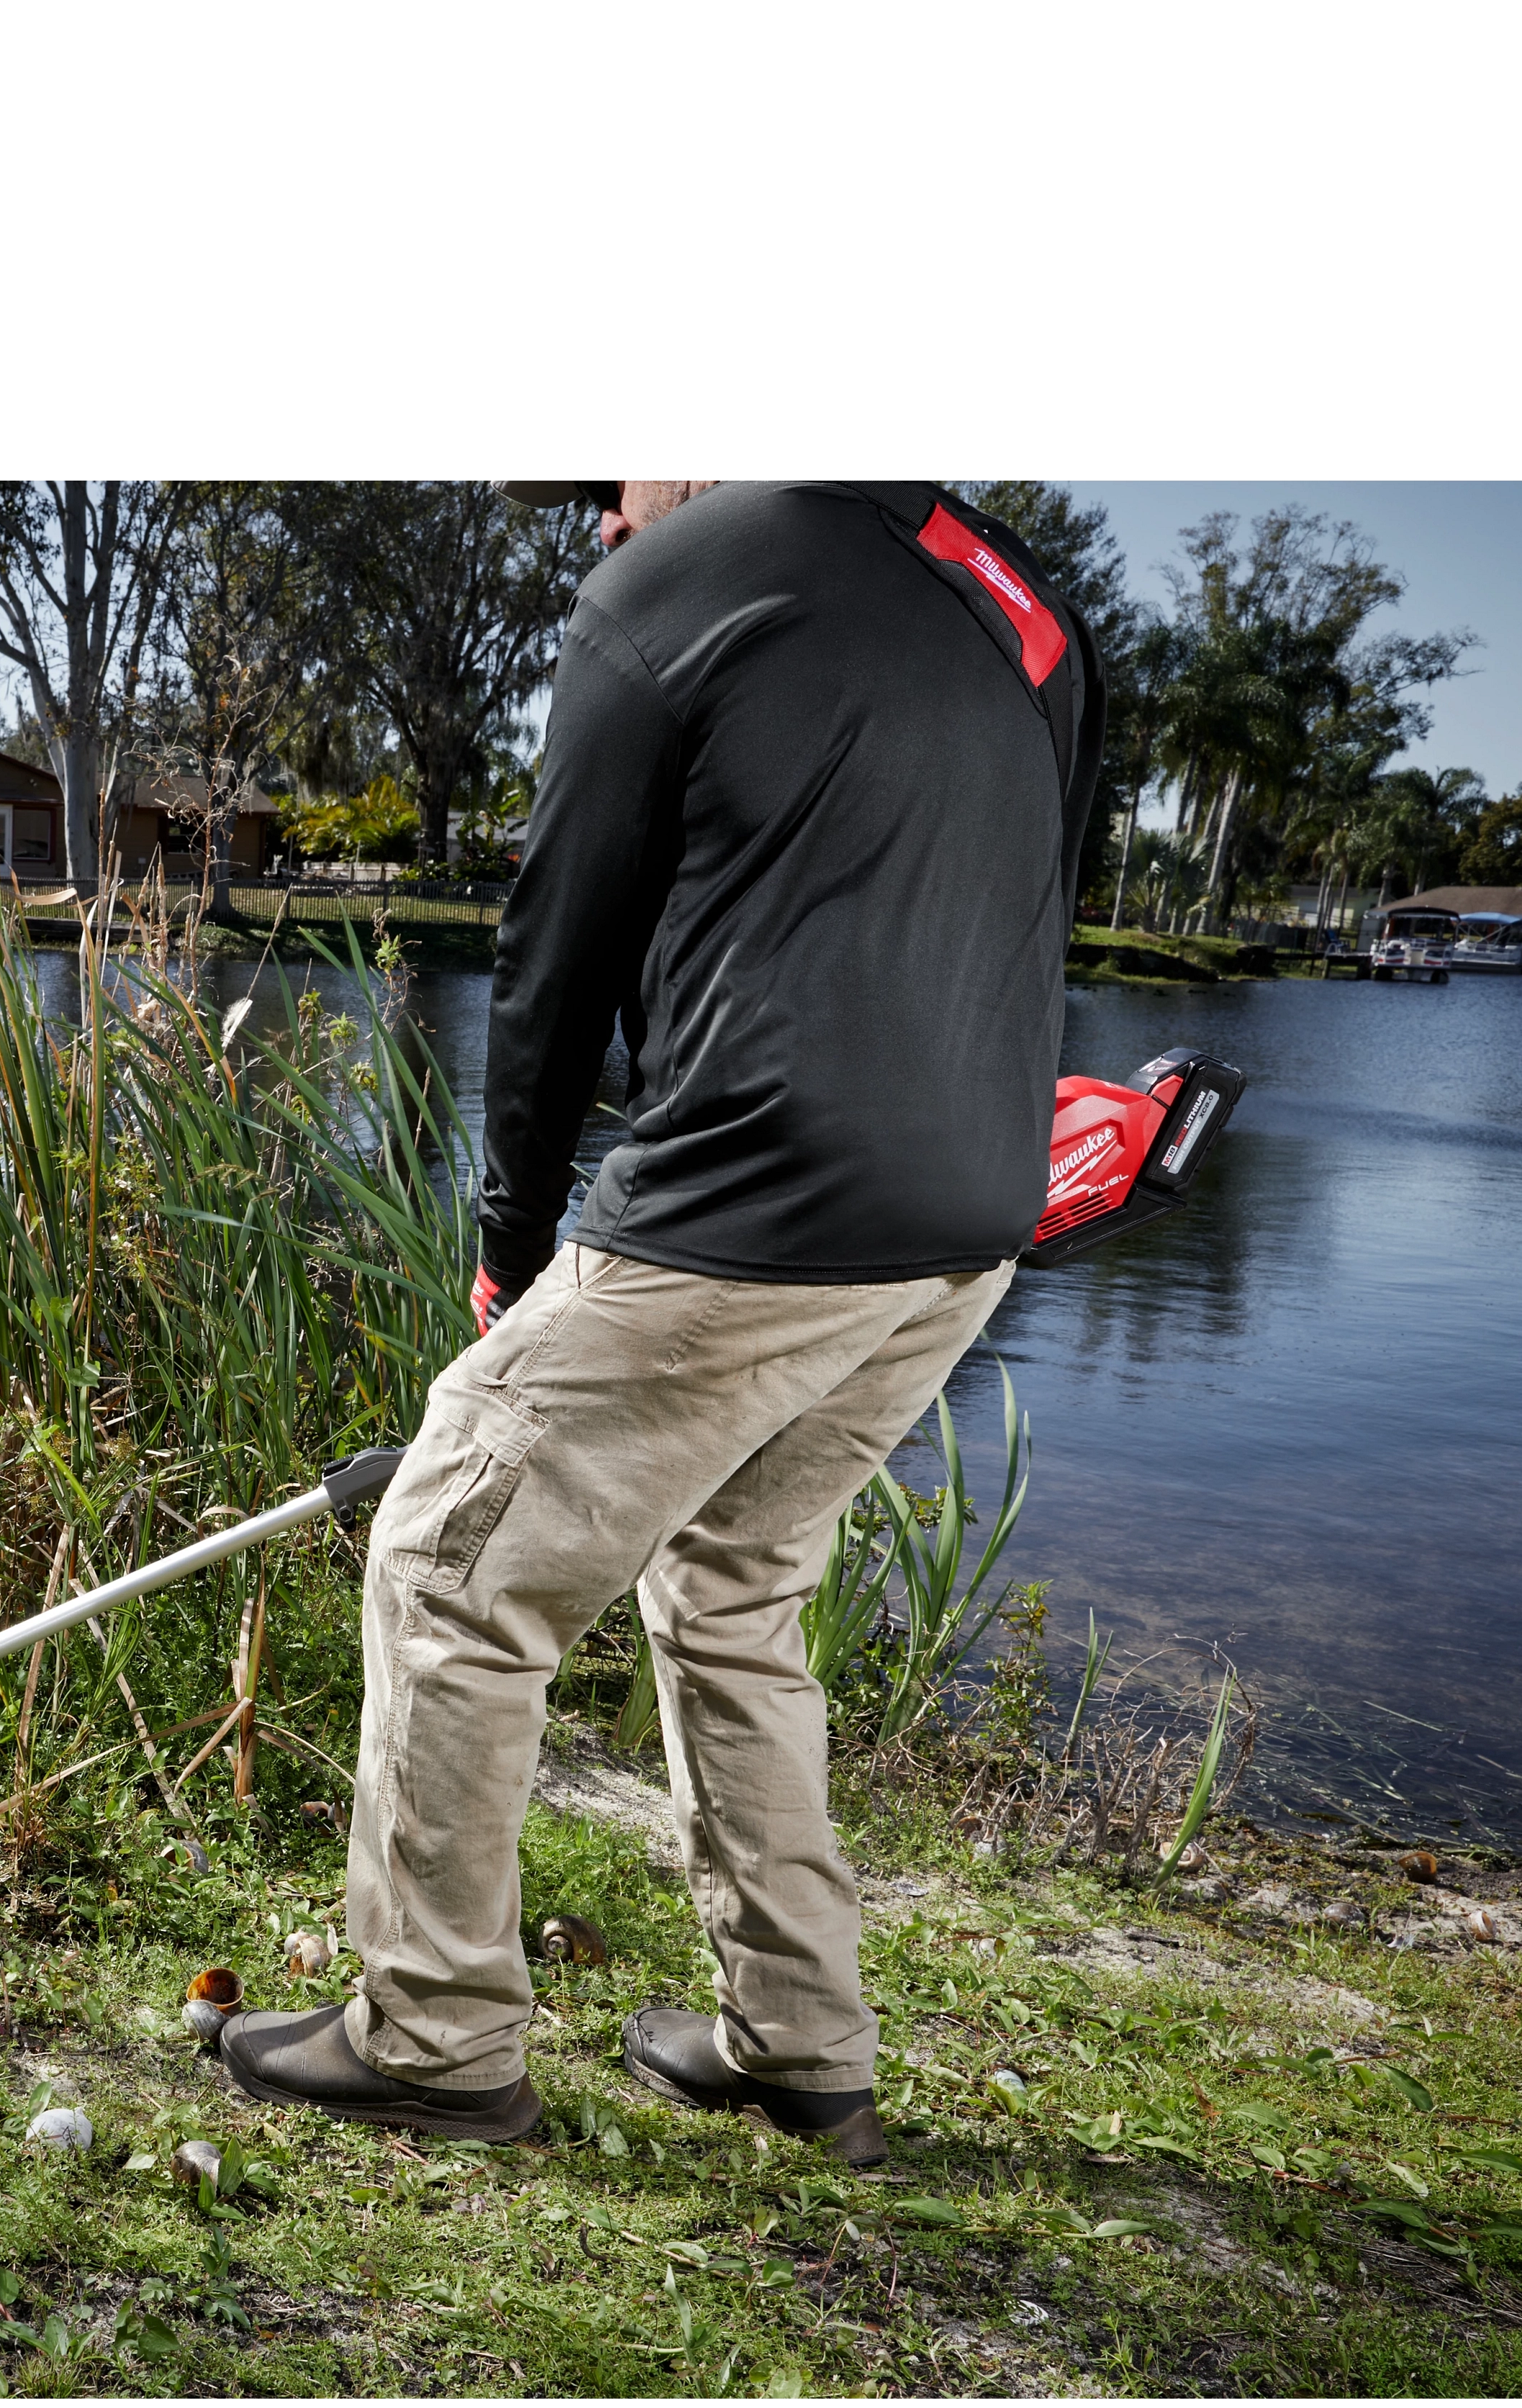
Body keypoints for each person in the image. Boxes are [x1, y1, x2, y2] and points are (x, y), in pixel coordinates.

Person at [222, 477, 1105, 2163]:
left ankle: (431, 2032)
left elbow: (553, 954)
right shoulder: (1014, 599)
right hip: (967, 1219)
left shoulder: (674, 582)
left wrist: (506, 1245)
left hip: (753, 1206)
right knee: (732, 1579)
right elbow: (1008, 919)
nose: (602, 512)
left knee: (444, 1562)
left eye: (606, 486)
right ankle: (795, 2043)